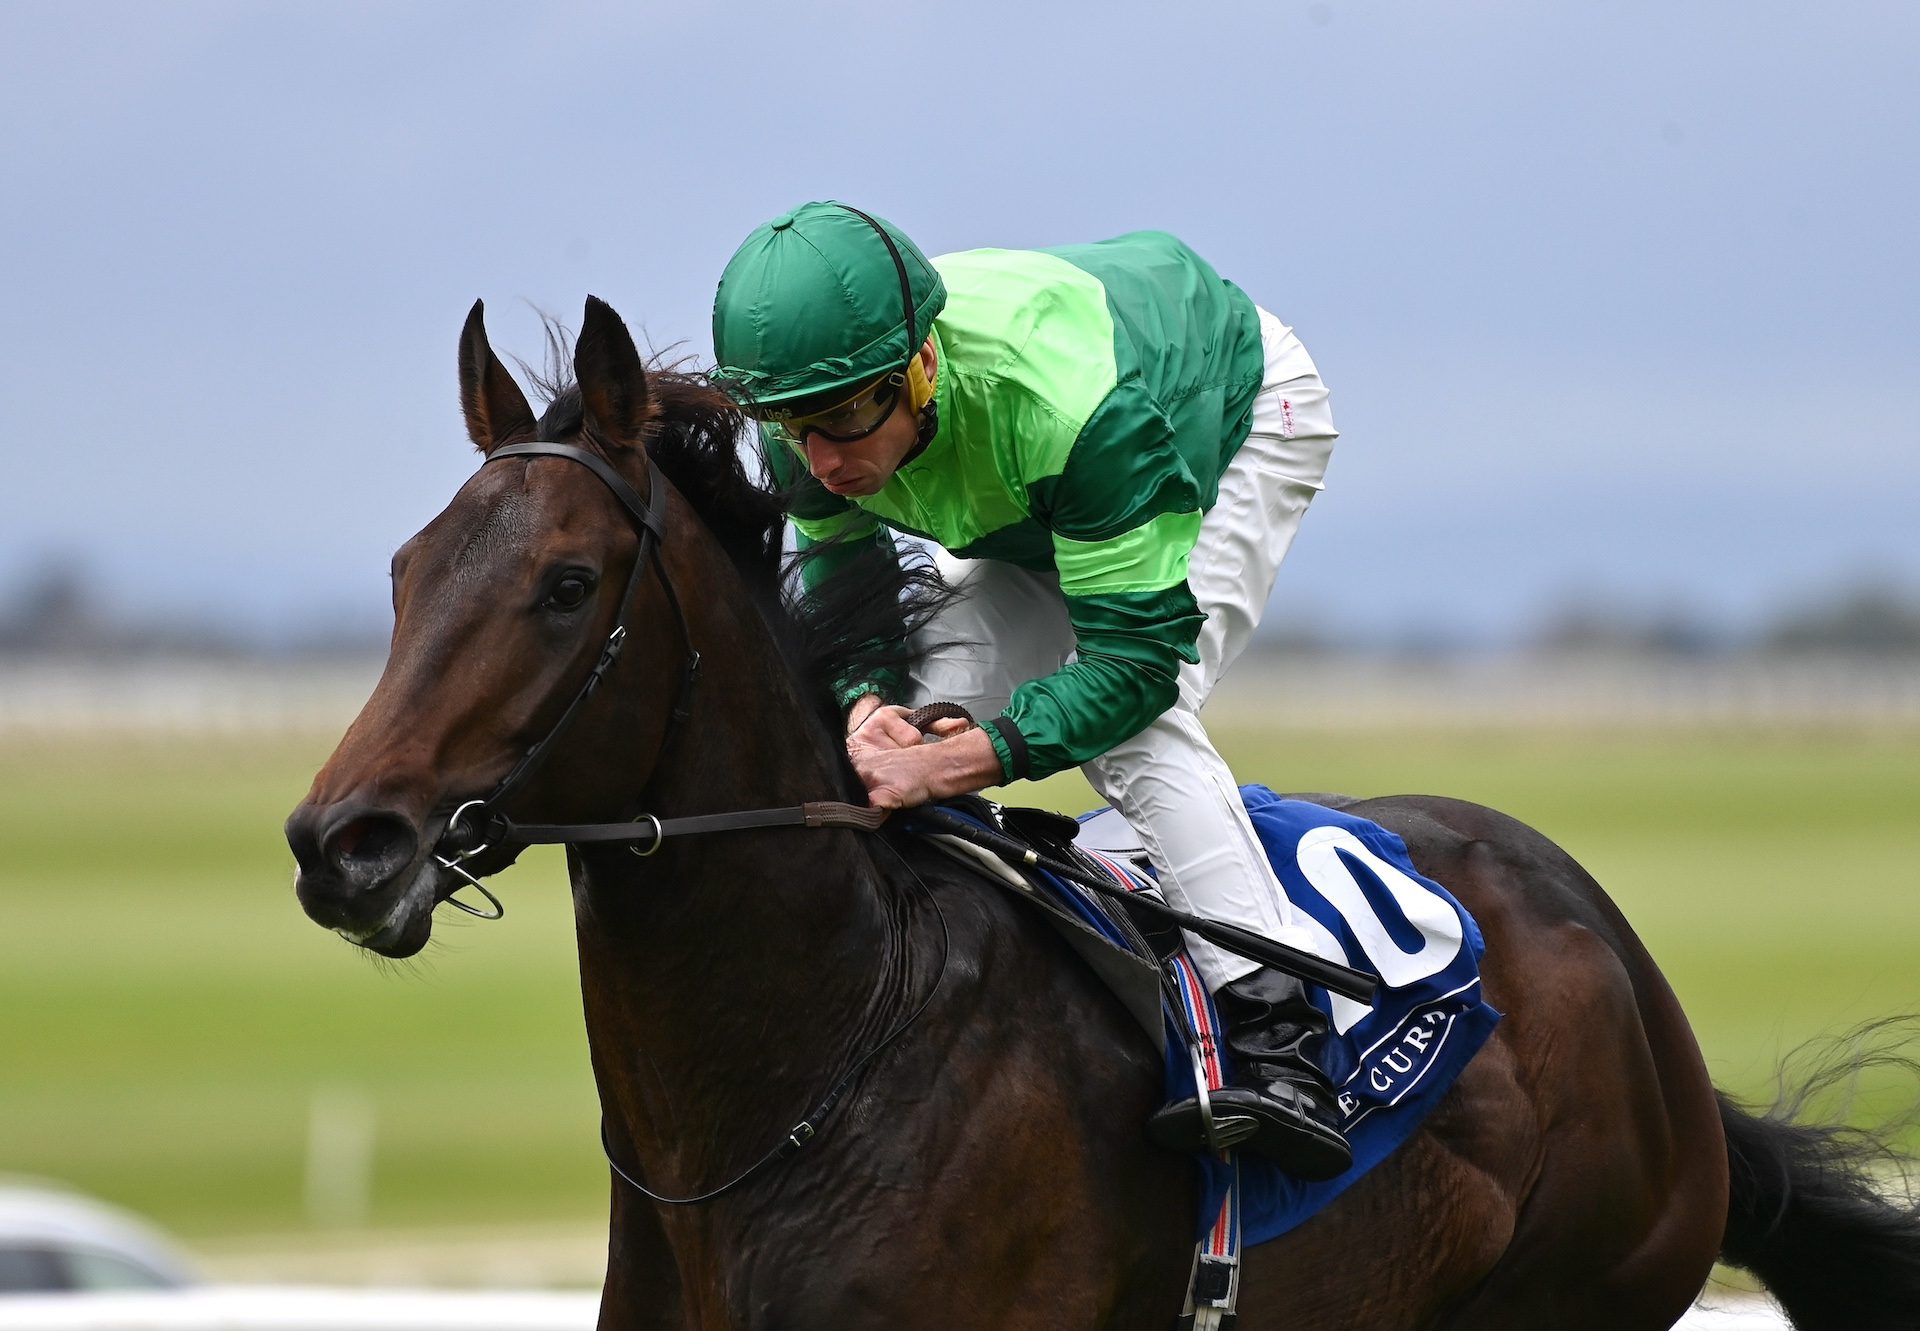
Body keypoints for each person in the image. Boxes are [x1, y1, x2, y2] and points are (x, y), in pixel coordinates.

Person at [711, 201, 1350, 1181]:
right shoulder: (811, 411)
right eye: (795, 428)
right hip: (1043, 493)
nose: (826, 460)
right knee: (929, 700)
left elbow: (1130, 668)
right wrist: (869, 701)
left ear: (922, 366)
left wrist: (980, 752)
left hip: (1222, 421)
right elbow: (849, 590)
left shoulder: (1074, 413)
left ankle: (1279, 1029)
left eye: (844, 419)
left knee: (1130, 731)